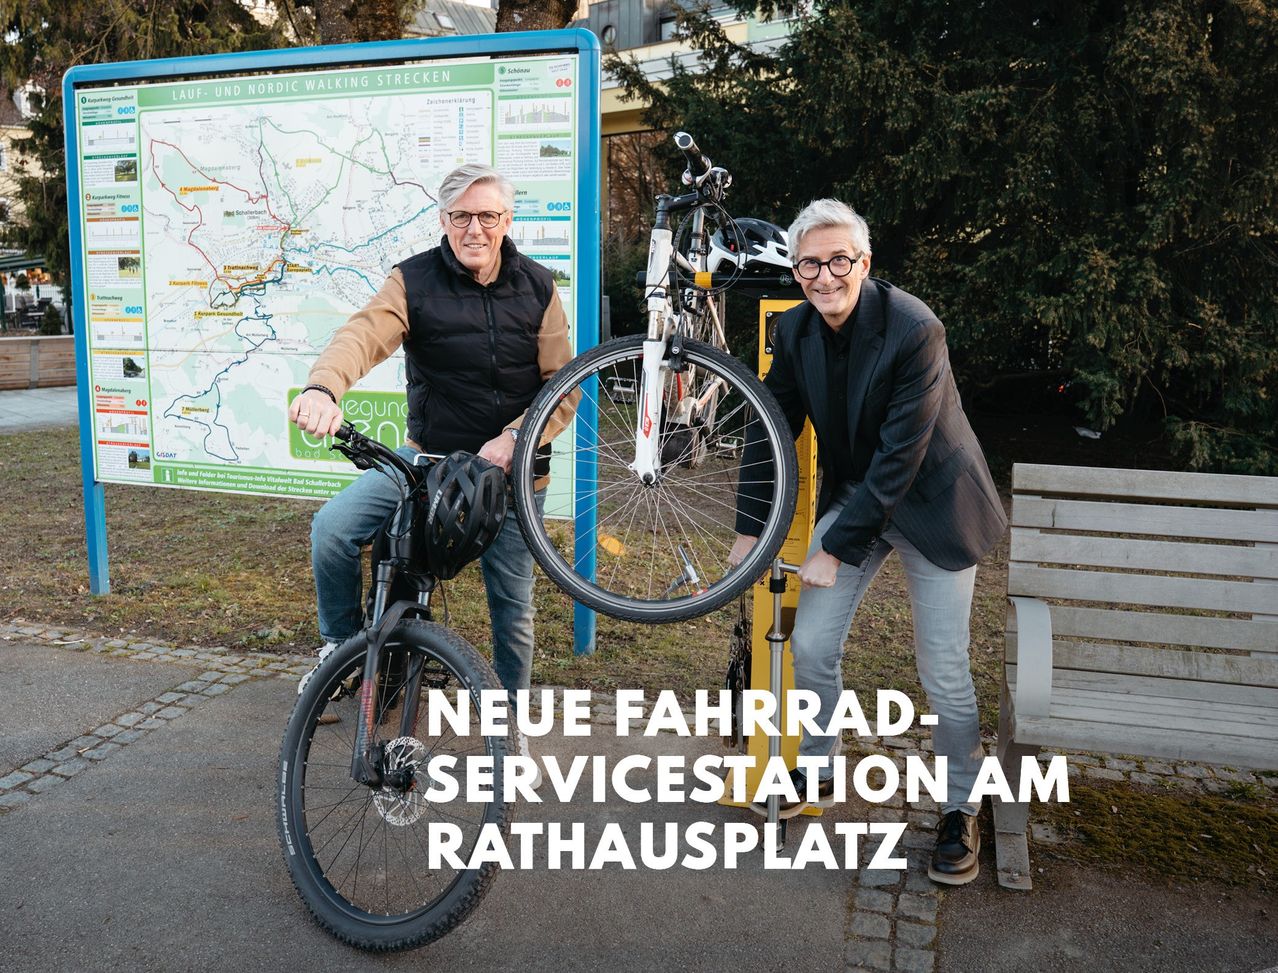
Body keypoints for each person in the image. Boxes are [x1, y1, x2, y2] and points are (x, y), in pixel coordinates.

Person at [730, 199, 1007, 885]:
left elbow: (900, 456)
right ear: (794, 268)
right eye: (810, 263)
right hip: (860, 498)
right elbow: (769, 431)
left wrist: (833, 548)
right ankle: (818, 768)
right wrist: (745, 528)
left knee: (942, 666)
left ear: (865, 262)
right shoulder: (794, 332)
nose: (825, 276)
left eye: (839, 261)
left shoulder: (916, 328)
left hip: (936, 503)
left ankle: (959, 805)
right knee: (812, 645)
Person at [289, 164, 577, 766]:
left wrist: (514, 438)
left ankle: (508, 723)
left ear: (507, 220)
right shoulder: (412, 281)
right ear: (443, 220)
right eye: (462, 216)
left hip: (512, 475)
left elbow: (563, 387)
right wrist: (323, 386)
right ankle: (341, 649)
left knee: (513, 610)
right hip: (427, 464)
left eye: (488, 216)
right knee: (334, 530)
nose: (475, 228)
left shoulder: (538, 288)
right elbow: (362, 335)